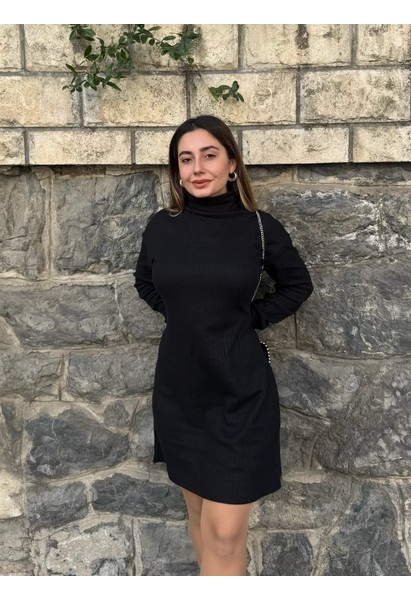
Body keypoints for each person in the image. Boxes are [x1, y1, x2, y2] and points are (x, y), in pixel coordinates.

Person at [134, 115, 313, 576]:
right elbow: (144, 282)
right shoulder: (162, 226)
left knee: (225, 534)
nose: (197, 168)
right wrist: (184, 316)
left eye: (209, 155)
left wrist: (247, 318)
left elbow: (297, 285)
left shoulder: (259, 228)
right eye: (186, 159)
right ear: (176, 170)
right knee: (199, 518)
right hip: (181, 392)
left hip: (240, 394)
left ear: (232, 163)